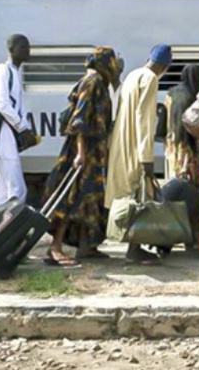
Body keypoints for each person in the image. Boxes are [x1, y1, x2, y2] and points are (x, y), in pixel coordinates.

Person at [42, 47, 118, 268]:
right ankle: (55, 247)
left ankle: (86, 245)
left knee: (89, 199)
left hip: (94, 153)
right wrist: (81, 154)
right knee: (71, 198)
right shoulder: (92, 83)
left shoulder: (99, 83)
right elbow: (79, 120)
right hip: (83, 153)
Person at [106, 44, 171, 265]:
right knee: (140, 198)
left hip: (120, 144)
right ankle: (134, 249)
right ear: (165, 68)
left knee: (126, 197)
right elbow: (145, 121)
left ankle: (132, 246)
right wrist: (147, 158)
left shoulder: (133, 75)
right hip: (135, 147)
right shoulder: (151, 79)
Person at [0, 35, 37, 213]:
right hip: (2, 138)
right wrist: (23, 128)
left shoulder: (14, 72)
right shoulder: (3, 71)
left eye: (28, 47)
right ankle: (9, 231)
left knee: (1, 190)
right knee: (17, 190)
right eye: (22, 47)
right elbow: (2, 104)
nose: (27, 50)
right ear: (11, 50)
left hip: (6, 138)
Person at [164, 64, 199, 185]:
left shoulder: (170, 93)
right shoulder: (192, 97)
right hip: (187, 145)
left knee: (173, 179)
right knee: (189, 181)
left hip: (171, 143)